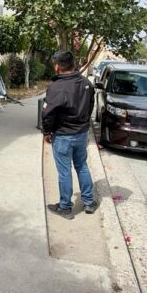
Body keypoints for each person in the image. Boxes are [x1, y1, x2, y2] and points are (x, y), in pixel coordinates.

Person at [41, 51, 97, 220]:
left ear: (57, 66)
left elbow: (48, 113)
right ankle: (89, 202)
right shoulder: (86, 83)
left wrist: (46, 132)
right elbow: (90, 106)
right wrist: (84, 124)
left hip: (63, 135)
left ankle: (65, 207)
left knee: (64, 171)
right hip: (81, 133)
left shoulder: (56, 87)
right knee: (82, 166)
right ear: (73, 64)